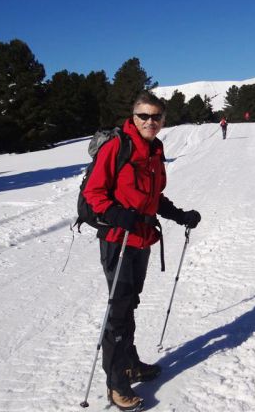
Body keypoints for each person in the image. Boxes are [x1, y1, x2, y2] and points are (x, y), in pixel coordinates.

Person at [83, 92, 201, 411]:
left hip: (142, 240)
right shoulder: (116, 147)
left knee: (130, 304)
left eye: (156, 117)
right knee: (118, 311)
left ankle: (130, 364)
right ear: (133, 117)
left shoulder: (155, 149)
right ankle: (116, 383)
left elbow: (153, 197)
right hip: (117, 240)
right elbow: (94, 192)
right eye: (144, 116)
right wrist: (116, 214)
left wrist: (179, 215)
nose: (150, 122)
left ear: (164, 120)